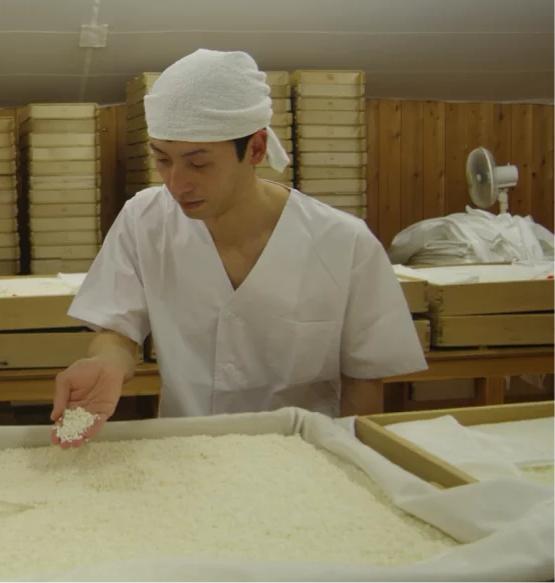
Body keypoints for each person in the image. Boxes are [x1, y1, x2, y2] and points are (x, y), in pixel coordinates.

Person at [50, 49, 427, 448]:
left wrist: (353, 464)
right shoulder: (145, 220)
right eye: (162, 159)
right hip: (187, 451)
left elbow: (364, 379)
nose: (177, 183)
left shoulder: (343, 243)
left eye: (199, 164)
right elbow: (118, 327)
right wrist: (107, 363)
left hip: (303, 457)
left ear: (256, 149)